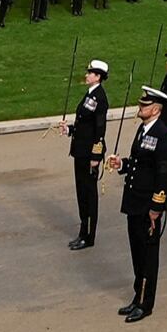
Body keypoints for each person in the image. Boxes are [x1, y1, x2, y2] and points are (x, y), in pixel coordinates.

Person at [107, 84, 167, 323]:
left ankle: (146, 303)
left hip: (148, 204)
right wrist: (122, 165)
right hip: (134, 200)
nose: (141, 107)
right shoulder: (143, 129)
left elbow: (163, 173)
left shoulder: (162, 135)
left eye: (145, 105)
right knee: (136, 251)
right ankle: (138, 296)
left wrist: (157, 206)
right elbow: (139, 162)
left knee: (147, 255)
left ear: (155, 109)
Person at [59, 58, 110, 250]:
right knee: (81, 192)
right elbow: (83, 124)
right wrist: (70, 130)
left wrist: (96, 156)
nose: (87, 75)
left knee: (88, 195)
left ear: (98, 77)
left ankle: (88, 236)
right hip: (80, 151)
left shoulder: (99, 98)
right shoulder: (90, 94)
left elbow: (99, 130)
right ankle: (83, 231)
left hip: (89, 155)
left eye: (90, 73)